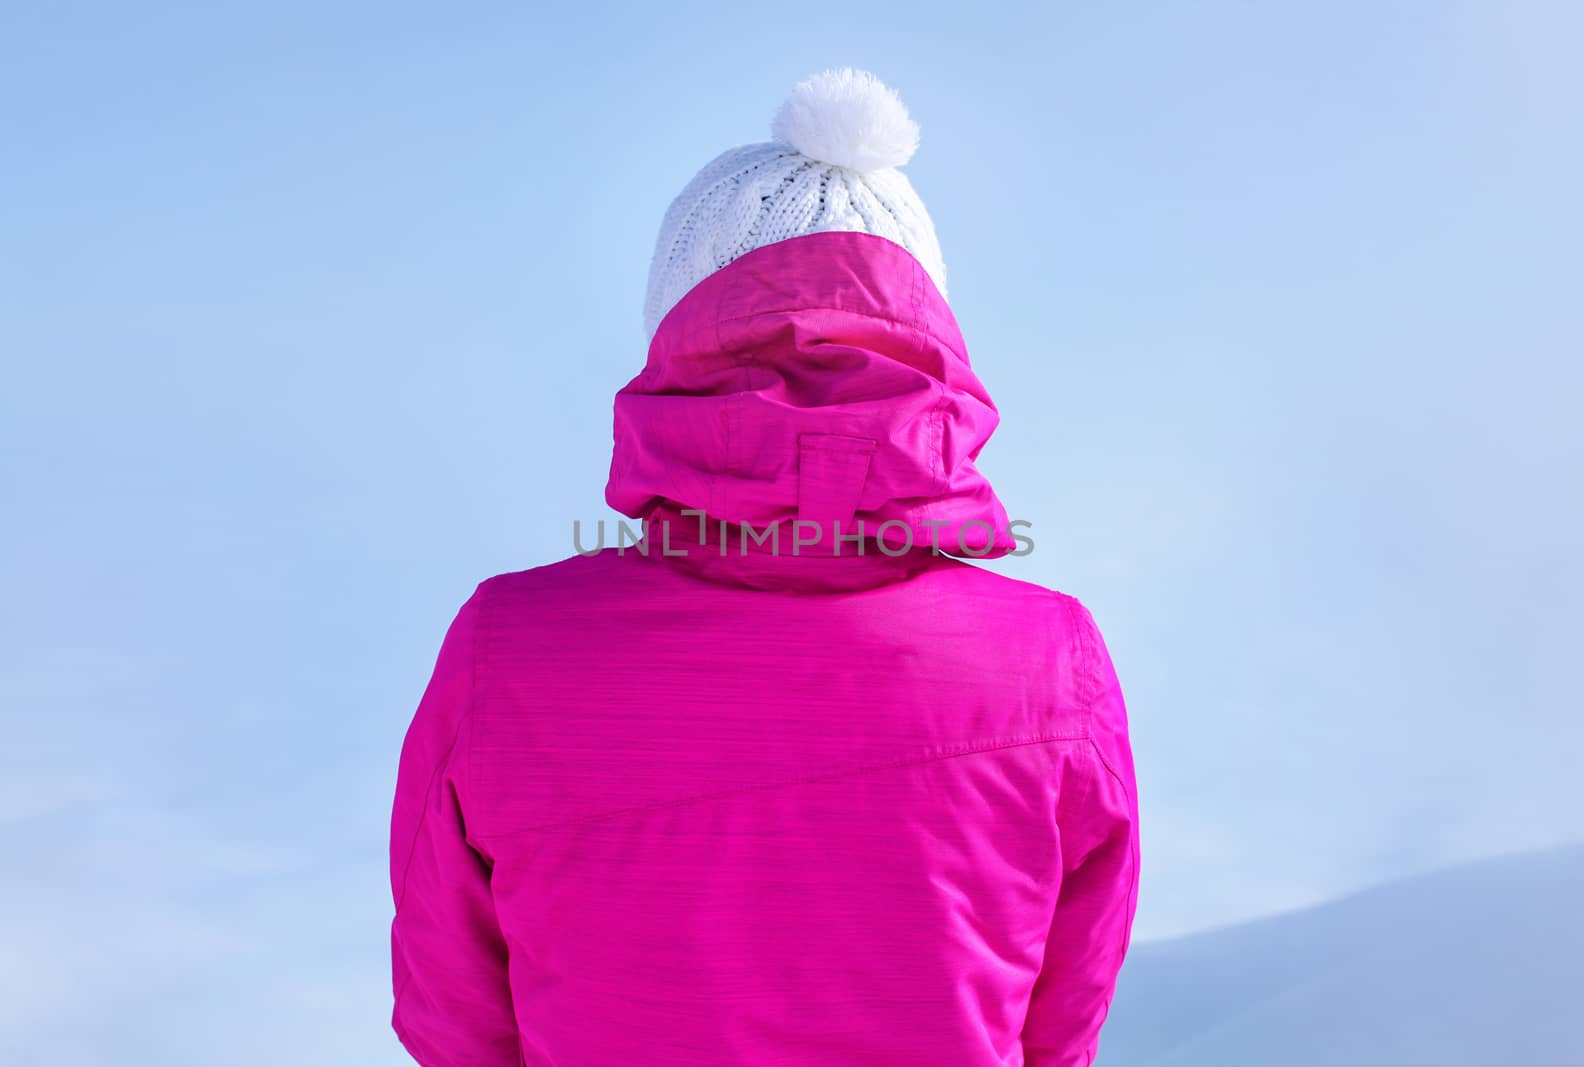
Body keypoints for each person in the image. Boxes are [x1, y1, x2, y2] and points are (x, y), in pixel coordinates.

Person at [389, 67, 1139, 1066]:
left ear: (676, 334)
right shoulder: (1049, 657)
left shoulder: (508, 645)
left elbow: (452, 1012)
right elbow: (1064, 1011)